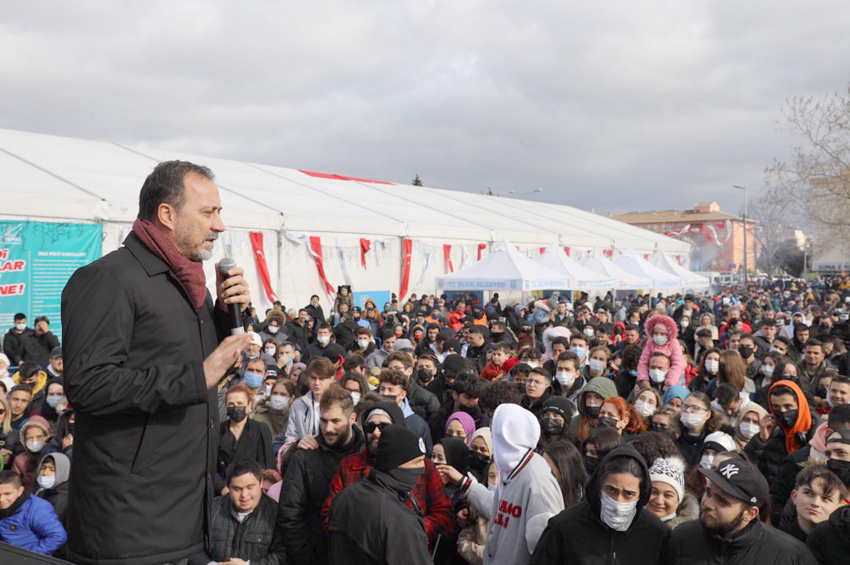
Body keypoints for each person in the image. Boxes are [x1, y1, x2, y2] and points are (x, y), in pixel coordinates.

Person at [61, 160, 253, 565]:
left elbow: (189, 366)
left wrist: (224, 317)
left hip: (184, 520)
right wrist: (196, 376)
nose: (219, 225)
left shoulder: (188, 283)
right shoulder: (109, 278)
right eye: (208, 212)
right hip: (129, 531)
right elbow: (88, 385)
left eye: (219, 213)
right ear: (167, 214)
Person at [321, 402, 453, 545]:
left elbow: (444, 514)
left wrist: (409, 530)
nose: (376, 432)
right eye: (370, 427)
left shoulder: (422, 465)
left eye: (383, 427)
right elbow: (330, 515)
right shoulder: (349, 465)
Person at [530, 444, 669, 565]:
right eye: (611, 490)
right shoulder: (563, 526)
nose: (618, 501)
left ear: (641, 494)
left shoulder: (656, 533)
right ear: (599, 486)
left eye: (628, 494)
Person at [664, 457, 817, 564]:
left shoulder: (791, 556)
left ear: (750, 513)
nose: (708, 503)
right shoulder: (681, 537)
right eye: (708, 492)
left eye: (722, 501)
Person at [277, 384, 365, 565]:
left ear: (352, 418)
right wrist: (306, 558)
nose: (328, 428)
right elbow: (290, 514)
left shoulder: (367, 455)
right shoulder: (305, 456)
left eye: (335, 421)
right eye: (323, 421)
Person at [472, 403, 564, 565]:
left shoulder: (536, 480)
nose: (491, 433)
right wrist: (467, 486)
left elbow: (545, 549)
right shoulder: (510, 468)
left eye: (495, 430)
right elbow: (498, 510)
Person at [327, 424, 432, 564]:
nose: (422, 468)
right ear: (395, 464)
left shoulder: (344, 496)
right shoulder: (401, 521)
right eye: (417, 462)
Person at [190, 461, 285, 565]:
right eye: (237, 489)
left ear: (261, 483)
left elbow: (282, 555)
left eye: (250, 487)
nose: (244, 495)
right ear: (228, 487)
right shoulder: (211, 509)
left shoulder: (275, 513)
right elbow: (193, 549)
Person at [745, 380, 815, 484]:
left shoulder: (817, 435)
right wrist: (761, 439)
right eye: (776, 407)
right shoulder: (773, 432)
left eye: (788, 406)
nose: (782, 411)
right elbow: (747, 465)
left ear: (800, 405)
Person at [216, 384, 274, 494]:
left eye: (240, 404)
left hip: (254, 493)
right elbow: (211, 467)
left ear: (249, 406)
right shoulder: (217, 432)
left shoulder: (260, 430)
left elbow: (268, 466)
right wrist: (223, 488)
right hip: (224, 492)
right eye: (231, 404)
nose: (236, 407)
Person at [0, 470, 67, 555]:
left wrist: (29, 556)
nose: (1, 499)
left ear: (20, 491)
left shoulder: (37, 508)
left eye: (7, 494)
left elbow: (58, 536)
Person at [781, 464, 846, 542]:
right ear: (795, 497)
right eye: (809, 493)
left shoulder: (843, 547)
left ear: (839, 507)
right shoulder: (777, 540)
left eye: (826, 498)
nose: (815, 503)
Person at [378, 368, 434, 453]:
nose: (385, 393)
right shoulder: (372, 416)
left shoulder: (417, 424)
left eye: (391, 390)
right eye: (382, 389)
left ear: (402, 395)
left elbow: (426, 454)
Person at [284, 357, 336, 444]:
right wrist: (298, 444)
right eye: (313, 378)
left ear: (331, 379)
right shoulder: (298, 404)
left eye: (321, 379)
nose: (316, 383)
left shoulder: (340, 403)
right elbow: (290, 437)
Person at [647, 455, 699, 528]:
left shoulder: (685, 535)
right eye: (654, 492)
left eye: (668, 495)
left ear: (678, 500)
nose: (659, 501)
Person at [539, 440, 587, 508]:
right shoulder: (541, 492)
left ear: (565, 471)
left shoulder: (587, 499)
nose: (542, 472)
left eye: (548, 469)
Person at [12, 416, 53, 493]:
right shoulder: (20, 460)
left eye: (39, 437)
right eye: (30, 438)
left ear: (47, 436)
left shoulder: (53, 456)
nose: (34, 441)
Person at [35, 452, 70, 525]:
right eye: (43, 468)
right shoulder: (45, 491)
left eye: (53, 469)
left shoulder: (61, 498)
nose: (45, 473)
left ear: (63, 471)